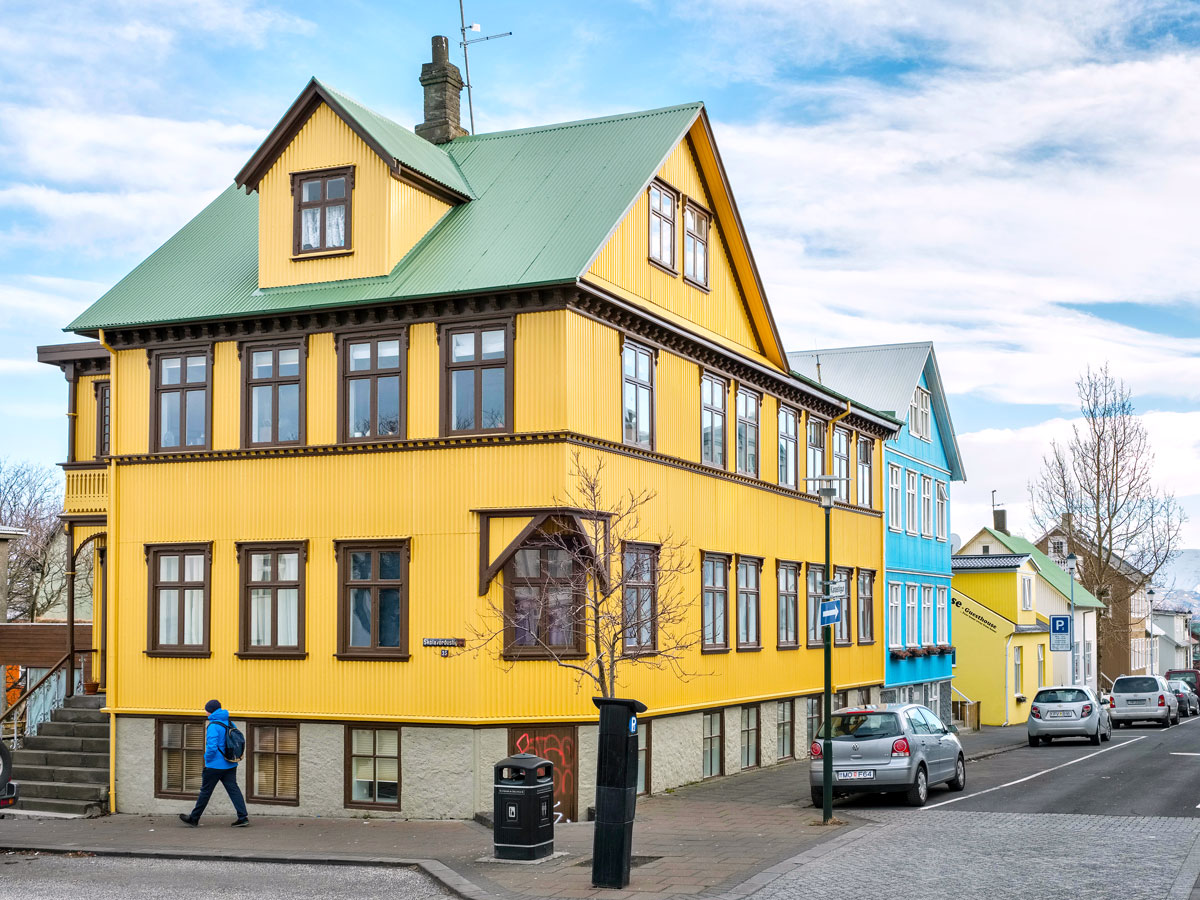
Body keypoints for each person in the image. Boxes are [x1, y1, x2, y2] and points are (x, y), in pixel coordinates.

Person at [178, 699, 248, 827]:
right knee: (234, 790)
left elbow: (211, 747)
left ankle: (194, 818)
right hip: (230, 763)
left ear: (210, 711)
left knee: (205, 792)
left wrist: (207, 759)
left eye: (206, 709)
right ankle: (243, 818)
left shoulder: (213, 725)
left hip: (214, 766)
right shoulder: (229, 722)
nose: (205, 712)